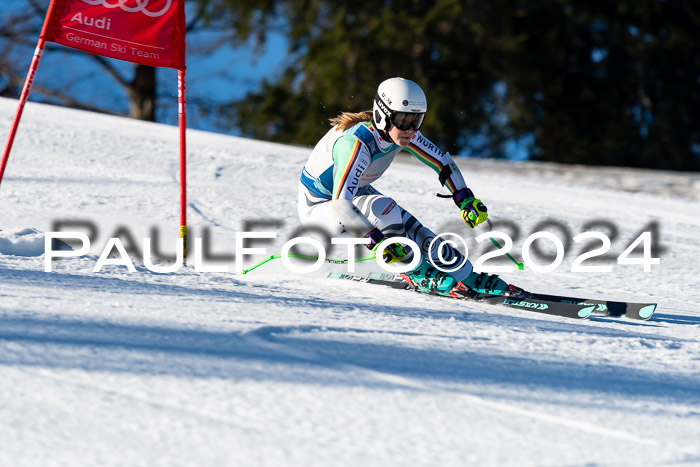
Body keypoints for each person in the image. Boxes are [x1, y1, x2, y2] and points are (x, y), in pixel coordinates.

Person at [297, 77, 519, 297]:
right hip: (320, 207)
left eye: (417, 120)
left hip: (354, 197)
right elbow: (340, 205)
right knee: (384, 209)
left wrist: (465, 199)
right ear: (383, 116)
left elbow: (442, 162)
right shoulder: (355, 144)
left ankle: (466, 275)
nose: (411, 130)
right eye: (404, 120)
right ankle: (416, 272)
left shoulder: (399, 131)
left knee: (416, 231)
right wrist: (376, 241)